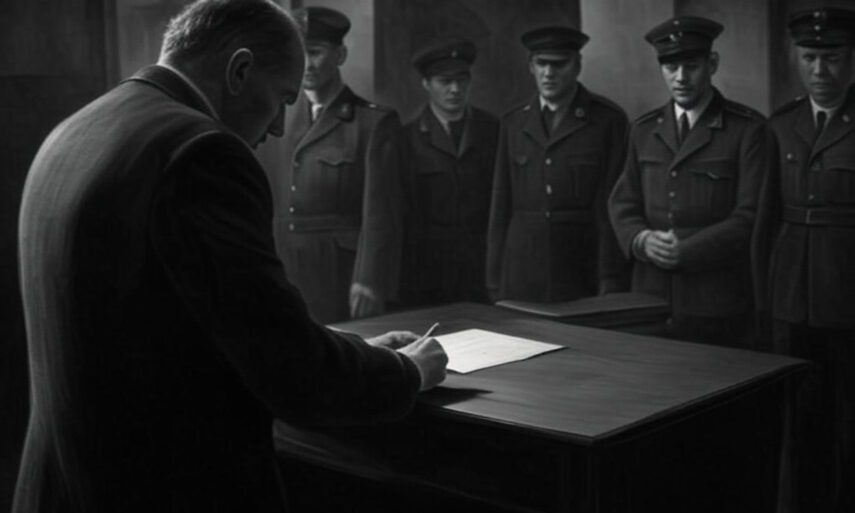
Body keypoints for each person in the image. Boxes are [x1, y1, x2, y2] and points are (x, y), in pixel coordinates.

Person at [12, 1, 447, 512]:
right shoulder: (204, 153)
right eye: (282, 98)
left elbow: (194, 328)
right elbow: (288, 369)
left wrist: (356, 351)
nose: (280, 127)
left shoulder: (74, 129)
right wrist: (403, 371)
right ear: (239, 71)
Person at [752, 7, 855, 512]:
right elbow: (764, 222)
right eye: (810, 57)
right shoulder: (782, 125)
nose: (819, 70)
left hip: (849, 297)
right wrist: (764, 299)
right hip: (792, 298)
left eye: (831, 57)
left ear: (850, 59)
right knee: (802, 419)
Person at [608, 16, 765, 346]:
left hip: (716, 303)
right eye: (671, 67)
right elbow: (623, 202)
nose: (680, 77)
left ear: (712, 64)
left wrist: (687, 251)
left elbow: (750, 216)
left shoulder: (747, 130)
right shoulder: (643, 130)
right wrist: (640, 239)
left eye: (691, 66)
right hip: (649, 301)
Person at [264, 6, 402, 323]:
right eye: (300, 54)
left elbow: (381, 213)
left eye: (315, 52)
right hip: (285, 269)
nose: (306, 64)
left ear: (340, 55)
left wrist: (369, 279)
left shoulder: (372, 123)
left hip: (340, 272)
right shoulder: (276, 119)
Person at [486, 25, 629, 303]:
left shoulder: (607, 121)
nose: (549, 73)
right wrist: (494, 275)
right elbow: (500, 202)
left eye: (559, 64)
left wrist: (610, 276)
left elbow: (612, 206)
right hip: (522, 270)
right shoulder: (513, 122)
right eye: (542, 63)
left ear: (577, 66)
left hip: (581, 267)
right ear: (531, 66)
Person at [398, 36, 499, 307]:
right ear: (426, 84)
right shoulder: (407, 139)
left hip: (482, 268)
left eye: (462, 80)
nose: (455, 89)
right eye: (445, 81)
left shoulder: (493, 131)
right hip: (428, 271)